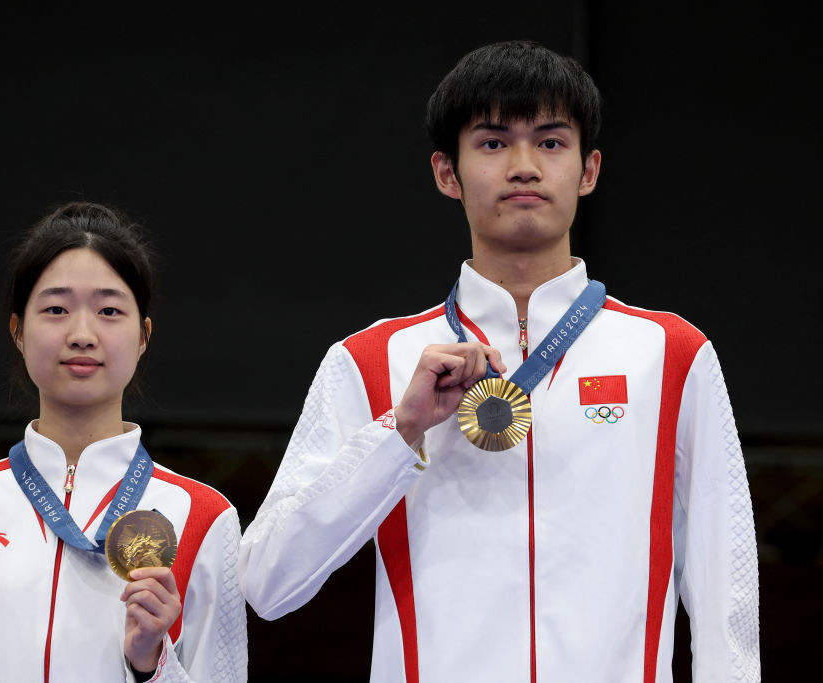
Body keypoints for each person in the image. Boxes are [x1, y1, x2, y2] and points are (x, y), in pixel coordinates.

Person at [239, 40, 759, 682]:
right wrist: (397, 435)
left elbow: (725, 595)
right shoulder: (372, 360)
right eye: (491, 143)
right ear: (446, 173)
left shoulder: (672, 353)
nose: (522, 166)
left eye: (549, 142)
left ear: (589, 169)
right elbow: (267, 582)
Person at [0, 202, 247, 682]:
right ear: (18, 330)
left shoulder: (205, 517)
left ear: (143, 335)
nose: (82, 334)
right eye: (56, 309)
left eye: (109, 311)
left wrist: (151, 663)